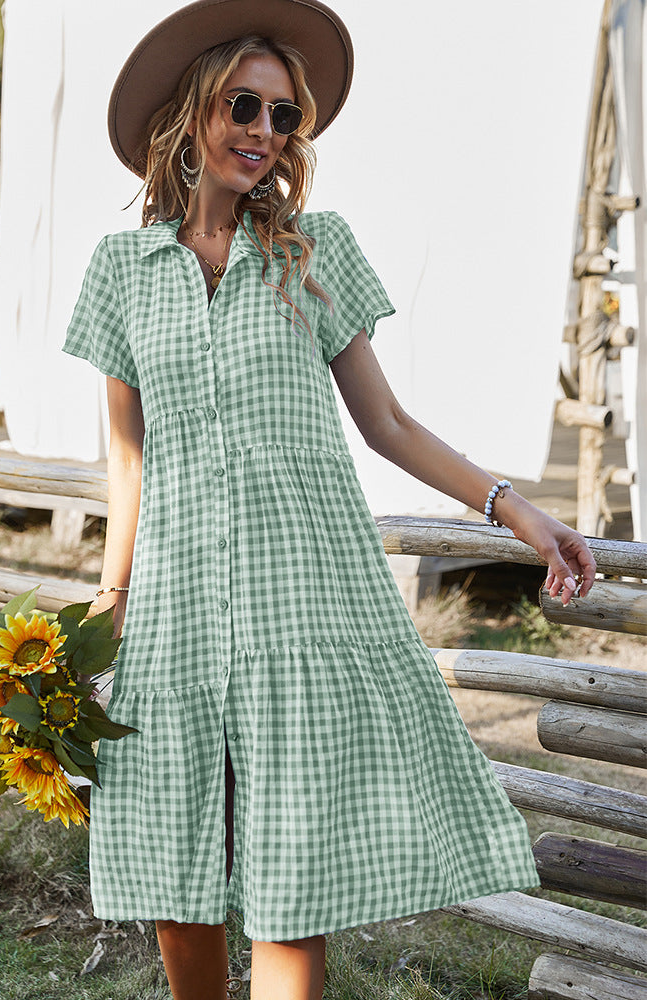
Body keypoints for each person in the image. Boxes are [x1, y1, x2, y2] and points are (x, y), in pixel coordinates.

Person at [61, 2, 597, 998]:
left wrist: (516, 511)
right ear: (191, 111)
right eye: (244, 106)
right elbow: (127, 459)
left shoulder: (317, 251)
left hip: (302, 601)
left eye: (284, 116)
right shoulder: (120, 271)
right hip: (174, 608)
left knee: (287, 882)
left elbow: (387, 424)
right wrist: (106, 607)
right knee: (175, 866)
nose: (265, 132)